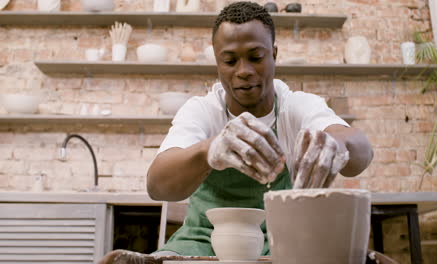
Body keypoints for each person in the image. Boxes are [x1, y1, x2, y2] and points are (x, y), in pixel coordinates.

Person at [99, 1, 373, 263]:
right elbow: (157, 185)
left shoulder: (296, 106)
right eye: (230, 61)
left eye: (256, 57)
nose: (244, 71)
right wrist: (209, 151)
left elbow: (360, 150)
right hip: (203, 242)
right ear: (217, 62)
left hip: (284, 241)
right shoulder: (203, 111)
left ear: (274, 54)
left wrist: (336, 146)